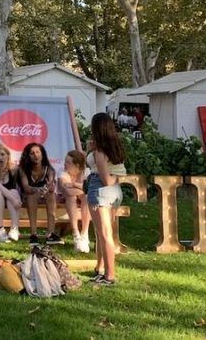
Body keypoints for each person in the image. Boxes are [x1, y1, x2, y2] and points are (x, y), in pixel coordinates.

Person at [87, 112, 127, 286]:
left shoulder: (100, 151)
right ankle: (101, 269)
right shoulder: (114, 147)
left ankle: (109, 275)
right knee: (102, 232)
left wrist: (113, 179)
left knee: (104, 234)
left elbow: (105, 178)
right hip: (115, 193)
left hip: (101, 190)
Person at [19, 142, 61, 245]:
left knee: (51, 195)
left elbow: (51, 185)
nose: (36, 155)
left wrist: (49, 187)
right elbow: (26, 187)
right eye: (32, 153)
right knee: (31, 195)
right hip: (27, 195)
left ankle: (50, 234)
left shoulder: (49, 169)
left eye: (38, 152)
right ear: (28, 156)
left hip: (45, 194)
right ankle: (34, 234)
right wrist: (37, 190)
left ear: (42, 154)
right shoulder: (23, 169)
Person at [58, 149, 91, 253]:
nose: (65, 164)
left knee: (86, 197)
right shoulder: (62, 172)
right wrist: (82, 188)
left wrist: (73, 185)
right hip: (66, 200)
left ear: (77, 165)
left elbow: (90, 189)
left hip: (83, 199)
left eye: (68, 162)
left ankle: (84, 234)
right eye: (65, 161)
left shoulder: (86, 172)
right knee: (71, 198)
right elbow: (66, 191)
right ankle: (76, 233)